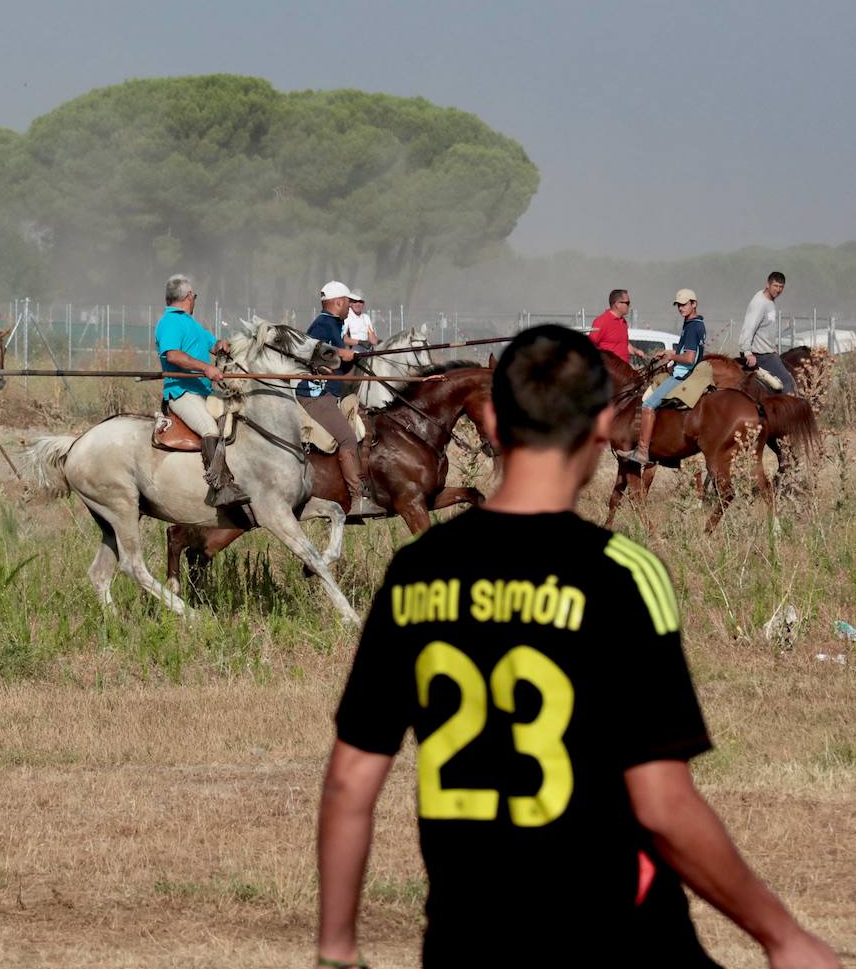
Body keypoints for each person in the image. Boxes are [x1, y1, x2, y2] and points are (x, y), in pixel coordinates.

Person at [315, 324, 839, 969]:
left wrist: (337, 948)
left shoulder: (416, 572)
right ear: (600, 427)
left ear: (494, 422)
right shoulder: (620, 575)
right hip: (613, 931)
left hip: (464, 940)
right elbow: (663, 801)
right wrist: (781, 936)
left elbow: (348, 785)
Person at [154, 273, 249, 507]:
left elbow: (213, 346)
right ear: (189, 296)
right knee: (209, 428)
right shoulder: (170, 322)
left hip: (202, 391)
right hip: (181, 392)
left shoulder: (191, 324)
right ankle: (220, 488)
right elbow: (173, 355)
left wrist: (222, 345)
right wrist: (206, 368)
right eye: (194, 296)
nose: (195, 300)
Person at [298, 281, 384, 517]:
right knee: (347, 437)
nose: (350, 306)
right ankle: (358, 500)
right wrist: (341, 353)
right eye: (348, 301)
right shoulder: (323, 324)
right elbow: (311, 351)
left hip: (329, 393)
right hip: (316, 395)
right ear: (338, 302)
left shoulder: (334, 324)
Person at [626, 289, 705, 467]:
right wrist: (669, 353)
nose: (681, 308)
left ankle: (642, 451)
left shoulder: (692, 326)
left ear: (694, 304)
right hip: (684, 372)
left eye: (684, 304)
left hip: (682, 376)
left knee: (647, 405)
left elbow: (690, 358)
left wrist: (672, 357)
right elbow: (685, 352)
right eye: (679, 305)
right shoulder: (694, 322)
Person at [738, 271, 795, 394]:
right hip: (759, 355)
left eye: (781, 287)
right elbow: (749, 327)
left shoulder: (770, 301)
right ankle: (786, 412)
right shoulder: (759, 303)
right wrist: (747, 352)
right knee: (786, 381)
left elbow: (766, 327)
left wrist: (771, 346)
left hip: (767, 351)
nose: (778, 290)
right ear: (767, 285)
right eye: (775, 286)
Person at [587, 288, 647, 364]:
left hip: (624, 371)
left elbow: (625, 344)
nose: (629, 306)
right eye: (627, 303)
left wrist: (636, 351)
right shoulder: (602, 321)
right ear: (617, 304)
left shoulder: (623, 322)